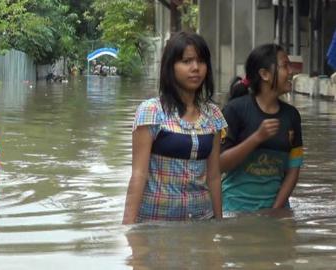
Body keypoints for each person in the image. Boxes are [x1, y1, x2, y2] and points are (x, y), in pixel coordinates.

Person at [122, 32, 227, 223]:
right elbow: (139, 174)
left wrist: (218, 224)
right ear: (170, 67)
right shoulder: (151, 112)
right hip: (155, 224)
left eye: (201, 61)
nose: (195, 68)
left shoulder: (213, 115)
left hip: (201, 222)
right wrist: (128, 230)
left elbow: (213, 176)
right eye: (187, 61)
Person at [220, 44, 303, 212]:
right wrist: (257, 138)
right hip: (235, 209)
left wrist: (275, 210)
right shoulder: (234, 110)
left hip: (276, 210)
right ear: (264, 74)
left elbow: (293, 169)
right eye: (285, 66)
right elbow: (219, 165)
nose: (291, 71)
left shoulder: (292, 116)